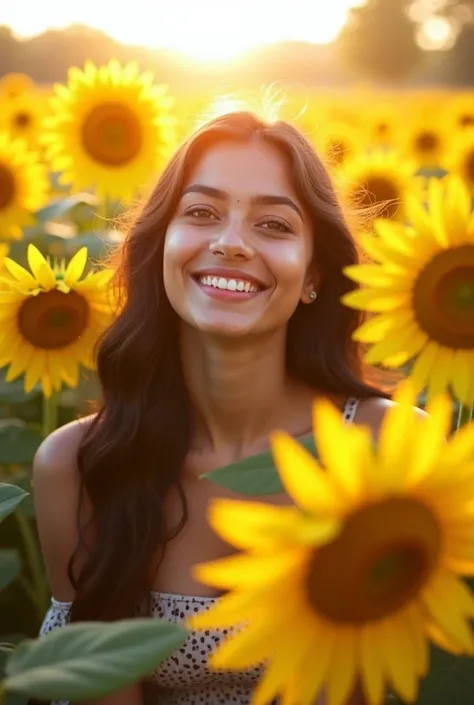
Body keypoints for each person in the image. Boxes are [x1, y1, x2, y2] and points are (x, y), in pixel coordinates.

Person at [34, 110, 424, 705]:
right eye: (201, 213)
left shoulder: (393, 454)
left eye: (273, 224)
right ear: (161, 246)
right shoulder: (78, 466)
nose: (231, 244)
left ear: (314, 272)